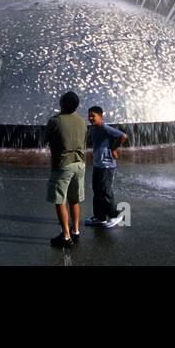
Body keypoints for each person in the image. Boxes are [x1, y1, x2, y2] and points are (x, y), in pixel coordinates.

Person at [44, 91, 87, 248]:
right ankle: (75, 232)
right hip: (80, 163)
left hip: (63, 164)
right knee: (74, 200)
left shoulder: (56, 121)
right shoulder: (82, 121)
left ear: (62, 104)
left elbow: (46, 139)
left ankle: (66, 237)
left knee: (60, 200)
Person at [84, 106, 127, 228]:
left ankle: (115, 215)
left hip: (107, 165)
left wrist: (114, 148)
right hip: (98, 164)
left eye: (93, 116)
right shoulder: (93, 128)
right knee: (97, 191)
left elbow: (123, 136)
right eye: (89, 115)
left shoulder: (104, 128)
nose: (91, 118)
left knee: (105, 191)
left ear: (101, 116)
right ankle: (100, 217)